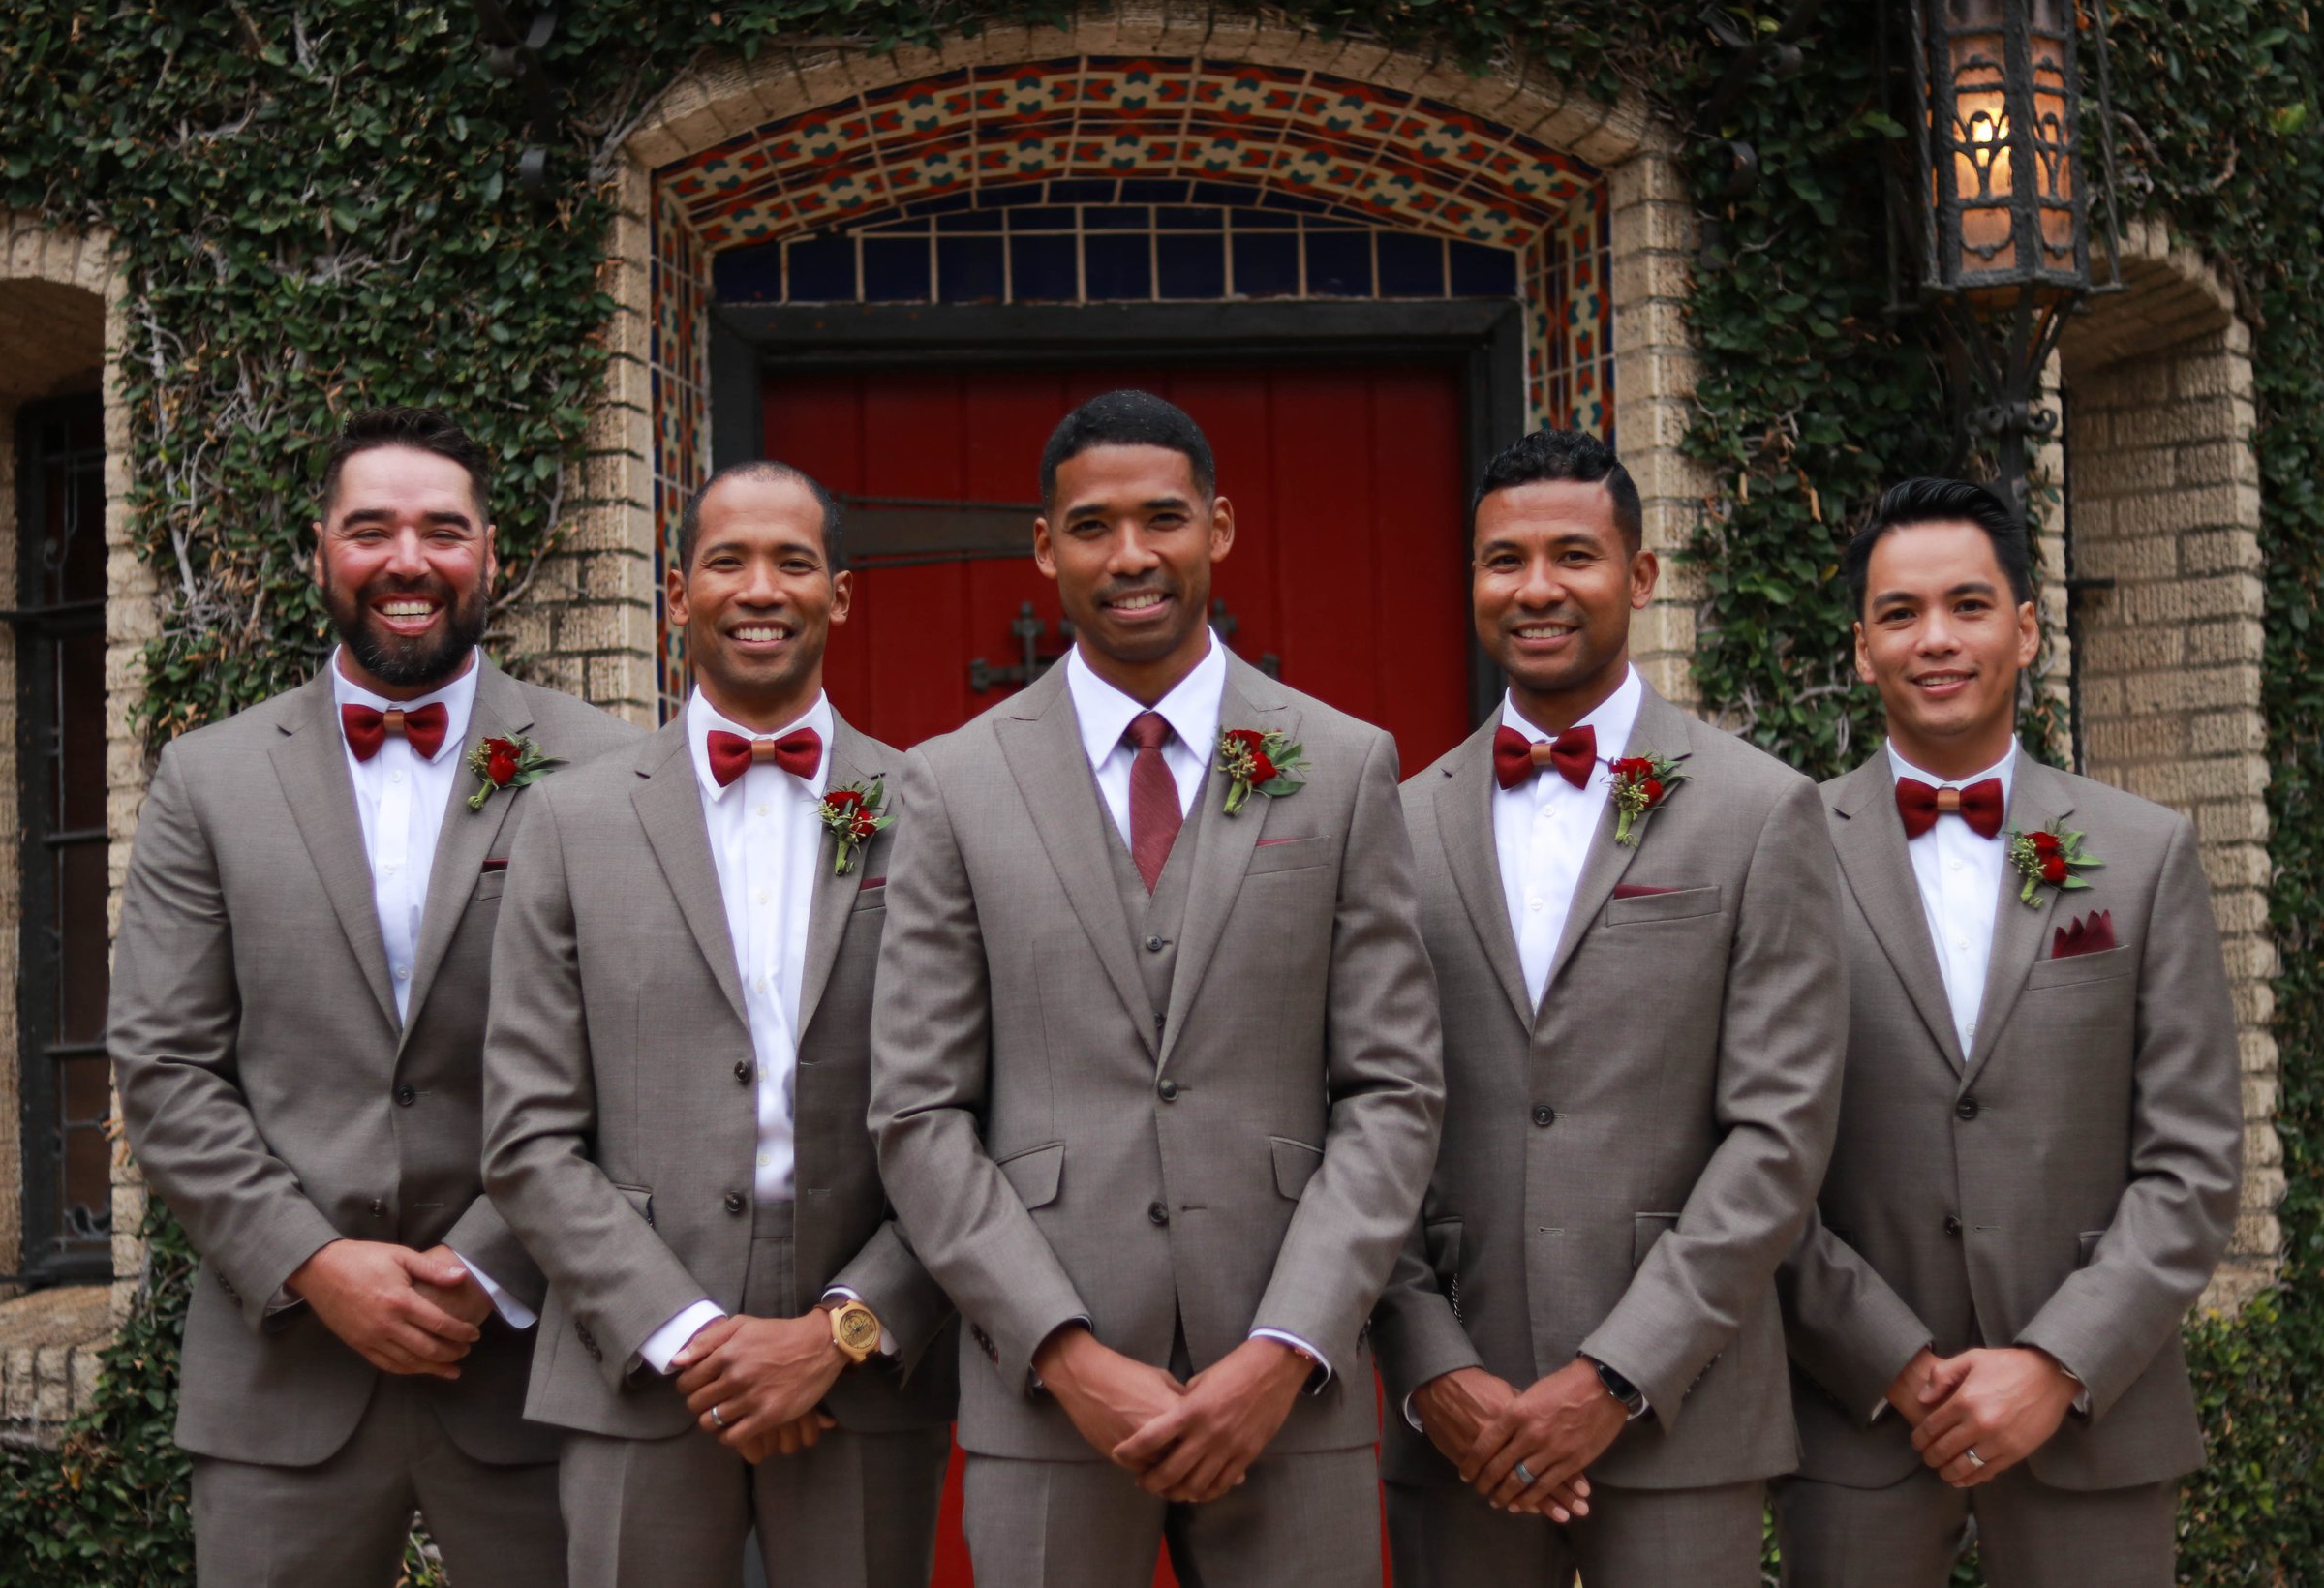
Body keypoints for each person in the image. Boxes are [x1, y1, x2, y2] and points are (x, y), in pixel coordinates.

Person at [869, 388, 1443, 1587]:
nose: (1130, 557)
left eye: (1162, 518)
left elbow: (1391, 1088)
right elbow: (919, 1112)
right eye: (1090, 525)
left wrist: (1286, 1345)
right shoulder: (950, 784)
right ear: (1044, 547)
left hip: (1290, 1383)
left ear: (1219, 528)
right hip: (1045, 1389)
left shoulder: (1339, 767)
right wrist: (1064, 1352)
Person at [107, 405, 635, 1587]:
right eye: (371, 529)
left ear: (491, 553)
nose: (408, 560)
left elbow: (640, 1053)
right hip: (280, 1374)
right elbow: (163, 1062)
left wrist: (490, 1261)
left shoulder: (605, 768)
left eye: (443, 530)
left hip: (538, 1370)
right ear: (320, 550)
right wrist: (315, 1262)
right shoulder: (211, 777)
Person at [1371, 426, 1846, 1588]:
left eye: (1572, 555)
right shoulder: (1393, 819)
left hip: (1684, 1406)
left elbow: (1779, 1133)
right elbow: (1358, 1110)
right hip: (1458, 1418)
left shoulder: (1758, 810)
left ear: (1638, 576)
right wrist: (1430, 1360)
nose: (1535, 588)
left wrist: (1616, 1371)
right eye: (1502, 560)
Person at [480, 463, 955, 1588]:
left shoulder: (927, 808)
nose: (761, 587)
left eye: (794, 562)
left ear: (840, 595)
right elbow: (527, 1133)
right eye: (728, 560)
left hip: (866, 1376)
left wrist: (839, 1328)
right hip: (632, 1366)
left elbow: (975, 1111)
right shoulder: (569, 818)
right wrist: (689, 1334)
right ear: (675, 591)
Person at [1774, 476, 2243, 1588]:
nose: (1934, 638)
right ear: (1861, 647)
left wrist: (2054, 1359)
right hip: (1858, 1429)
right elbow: (1746, 1151)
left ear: (2025, 628)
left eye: (1968, 605)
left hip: (2094, 1417)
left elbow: (2192, 1161)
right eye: (1899, 613)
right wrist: (1889, 1359)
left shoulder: (2141, 852)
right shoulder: (1775, 847)